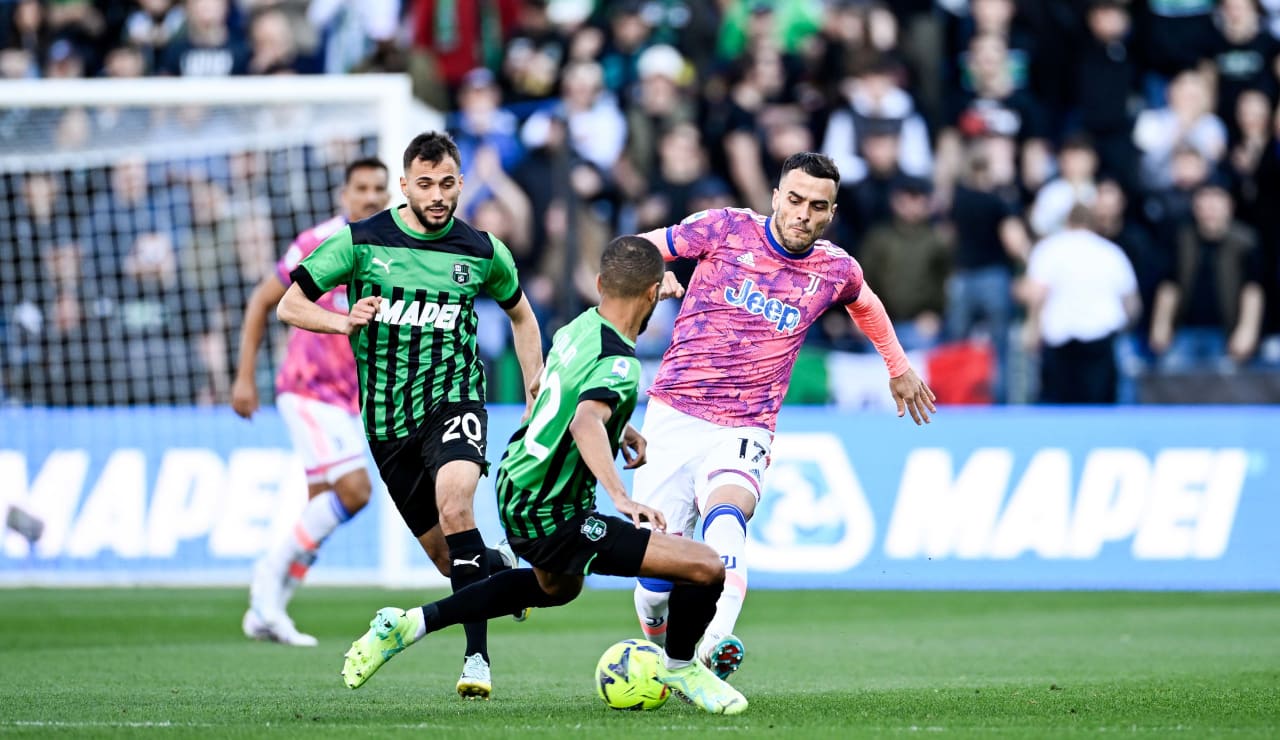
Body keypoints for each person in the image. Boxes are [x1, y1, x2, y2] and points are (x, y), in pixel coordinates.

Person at [337, 236, 747, 715]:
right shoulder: (621, 364)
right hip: (553, 512)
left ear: (598, 285)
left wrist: (622, 426)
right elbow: (584, 420)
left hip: (516, 483)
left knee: (558, 587)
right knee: (706, 567)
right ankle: (681, 666)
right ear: (654, 295)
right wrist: (621, 495)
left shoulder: (579, 327)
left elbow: (547, 385)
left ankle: (408, 625)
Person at [630, 152, 936, 680]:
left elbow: (866, 303)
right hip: (673, 416)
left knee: (727, 512)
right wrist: (650, 277)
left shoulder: (834, 269)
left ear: (831, 213)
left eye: (817, 207)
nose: (803, 214)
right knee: (655, 587)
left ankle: (717, 641)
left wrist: (898, 365)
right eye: (794, 200)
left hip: (747, 424)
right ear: (775, 196)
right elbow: (637, 250)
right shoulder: (722, 228)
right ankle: (666, 652)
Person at [277, 131, 544, 699]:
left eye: (447, 183)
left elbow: (522, 316)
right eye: (425, 184)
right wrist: (342, 321)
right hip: (388, 424)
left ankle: (477, 661)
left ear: (461, 184)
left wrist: (533, 387)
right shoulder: (361, 242)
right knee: (450, 557)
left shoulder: (482, 250)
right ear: (405, 187)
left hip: (455, 400)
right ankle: (497, 568)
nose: (438, 195)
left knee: (456, 503)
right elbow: (289, 303)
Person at [230, 157, 390, 646]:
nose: (369, 197)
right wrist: (243, 378)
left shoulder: (391, 250)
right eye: (360, 188)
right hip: (306, 388)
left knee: (322, 508)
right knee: (356, 490)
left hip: (346, 399)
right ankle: (264, 586)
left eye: (378, 188)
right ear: (344, 194)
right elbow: (263, 300)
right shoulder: (316, 242)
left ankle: (268, 611)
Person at [1019, 204, 1140, 404]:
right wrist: (1125, 329)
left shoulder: (1049, 249)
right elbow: (1131, 303)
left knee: (1058, 410)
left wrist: (1032, 331)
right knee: (1099, 408)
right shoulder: (1111, 252)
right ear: (1093, 224)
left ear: (1067, 222)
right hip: (1100, 341)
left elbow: (1036, 294)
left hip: (1059, 341)